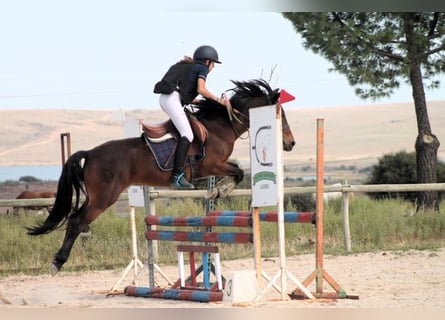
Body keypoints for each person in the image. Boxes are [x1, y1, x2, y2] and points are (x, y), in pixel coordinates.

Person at [153, 45, 229, 190]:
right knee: (187, 134)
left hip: (167, 98)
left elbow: (184, 94)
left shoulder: (190, 66)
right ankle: (177, 176)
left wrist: (201, 101)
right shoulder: (202, 68)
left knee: (184, 131)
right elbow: (201, 89)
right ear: (207, 61)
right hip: (172, 100)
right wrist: (218, 100)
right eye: (213, 63)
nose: (213, 67)